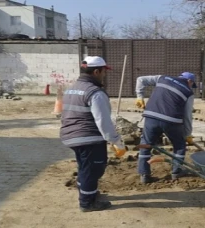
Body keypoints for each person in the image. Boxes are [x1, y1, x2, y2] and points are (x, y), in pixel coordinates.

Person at [60, 56, 127, 212]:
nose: (105, 74)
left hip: (71, 135)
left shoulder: (72, 87)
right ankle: (87, 203)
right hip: (87, 137)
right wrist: (116, 142)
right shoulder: (95, 93)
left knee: (85, 168)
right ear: (96, 71)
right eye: (104, 71)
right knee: (93, 169)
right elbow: (103, 122)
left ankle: (88, 193)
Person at [135, 72, 196, 183]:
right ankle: (176, 172)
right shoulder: (188, 92)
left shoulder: (162, 78)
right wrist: (187, 134)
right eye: (192, 84)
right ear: (189, 81)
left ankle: (144, 175)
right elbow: (187, 115)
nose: (191, 86)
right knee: (179, 145)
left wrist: (140, 97)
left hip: (151, 117)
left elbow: (140, 79)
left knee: (146, 144)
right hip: (172, 121)